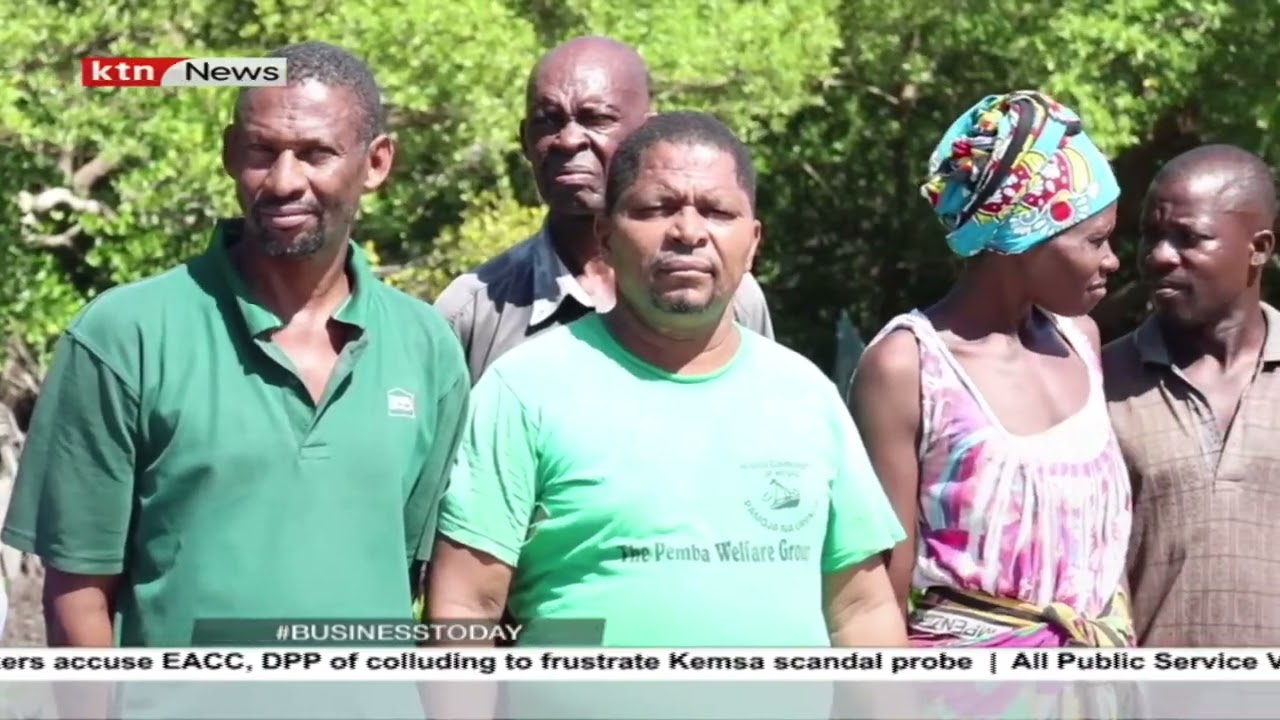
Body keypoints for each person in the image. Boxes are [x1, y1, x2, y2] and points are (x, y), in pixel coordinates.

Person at [2, 41, 469, 651]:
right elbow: (76, 597)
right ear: (229, 153)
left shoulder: (425, 345)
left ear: (376, 163)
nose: (283, 181)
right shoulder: (124, 335)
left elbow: (415, 573)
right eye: (261, 151)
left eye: (316, 154)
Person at [427, 108, 906, 652]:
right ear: (605, 235)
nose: (688, 232)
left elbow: (861, 609)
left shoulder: (807, 396)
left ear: (752, 242)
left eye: (717, 212)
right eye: (656, 209)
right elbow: (467, 606)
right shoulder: (523, 390)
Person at [849, 91, 1134, 652]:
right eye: (1095, 240)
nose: (1113, 261)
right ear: (1022, 241)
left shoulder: (1080, 341)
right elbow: (881, 588)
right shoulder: (910, 367)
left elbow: (1104, 558)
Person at [434, 36, 774, 385]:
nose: (568, 140)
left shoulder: (727, 294)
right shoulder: (474, 311)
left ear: (645, 134)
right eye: (547, 121)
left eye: (595, 119)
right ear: (524, 141)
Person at [1104, 144, 1280, 647]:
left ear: (1259, 247)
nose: (1160, 256)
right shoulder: (1097, 381)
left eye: (1188, 238)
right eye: (1151, 236)